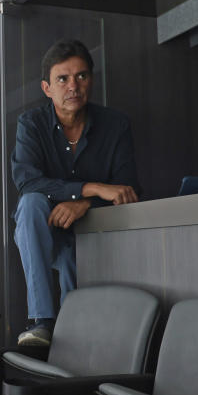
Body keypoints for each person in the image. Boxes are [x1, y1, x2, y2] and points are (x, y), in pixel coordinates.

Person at [12, 39, 140, 345]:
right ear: (47, 88)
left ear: (91, 80)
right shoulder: (31, 124)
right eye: (63, 79)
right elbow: (28, 182)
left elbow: (127, 188)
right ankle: (42, 320)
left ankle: (74, 337)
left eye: (81, 76)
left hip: (95, 229)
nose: (74, 86)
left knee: (73, 260)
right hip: (44, 229)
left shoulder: (115, 125)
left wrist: (84, 203)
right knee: (30, 203)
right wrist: (90, 187)